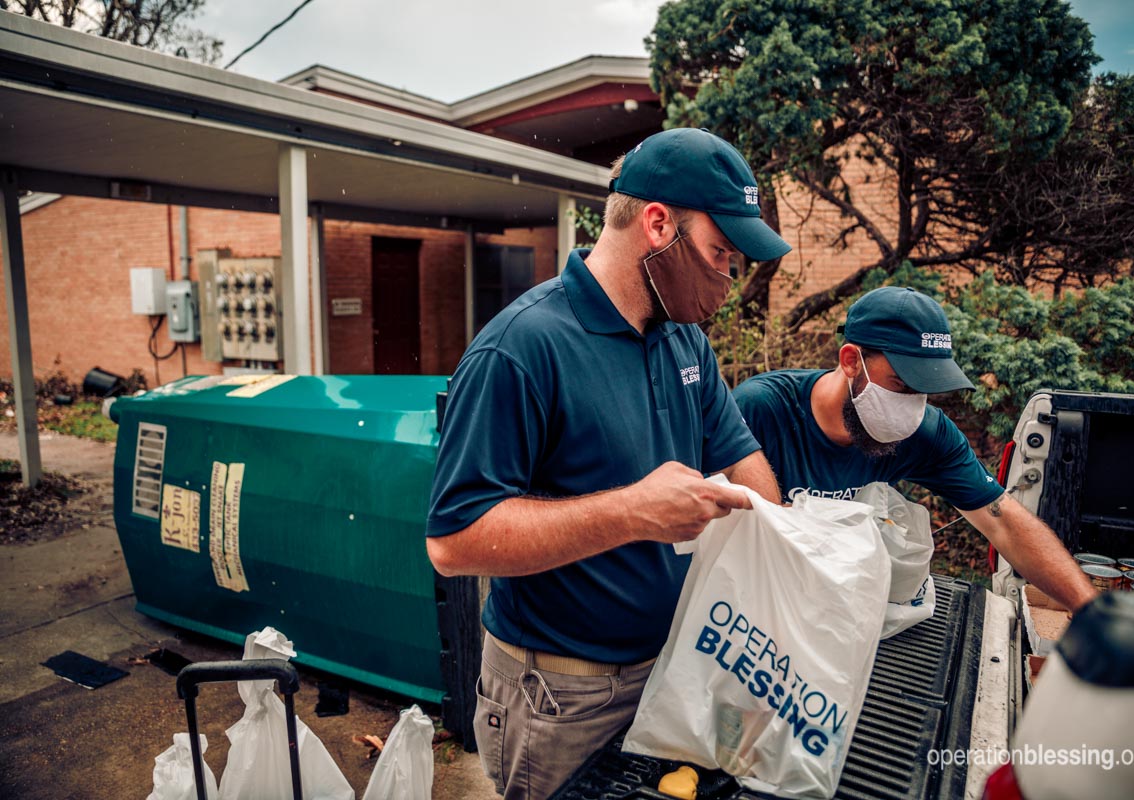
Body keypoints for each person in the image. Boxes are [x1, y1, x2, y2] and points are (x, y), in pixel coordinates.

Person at [426, 128, 792, 800]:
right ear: (658, 224)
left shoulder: (684, 340)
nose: (728, 278)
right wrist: (632, 512)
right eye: (720, 253)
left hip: (675, 672)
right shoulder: (521, 348)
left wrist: (790, 556)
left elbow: (741, 457)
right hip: (561, 698)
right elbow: (454, 542)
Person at [732, 286, 1098, 611]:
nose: (910, 407)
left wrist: (1089, 608)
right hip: (756, 602)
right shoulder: (761, 410)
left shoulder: (926, 433)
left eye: (923, 389)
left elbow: (1005, 524)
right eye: (901, 384)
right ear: (850, 361)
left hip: (839, 607)